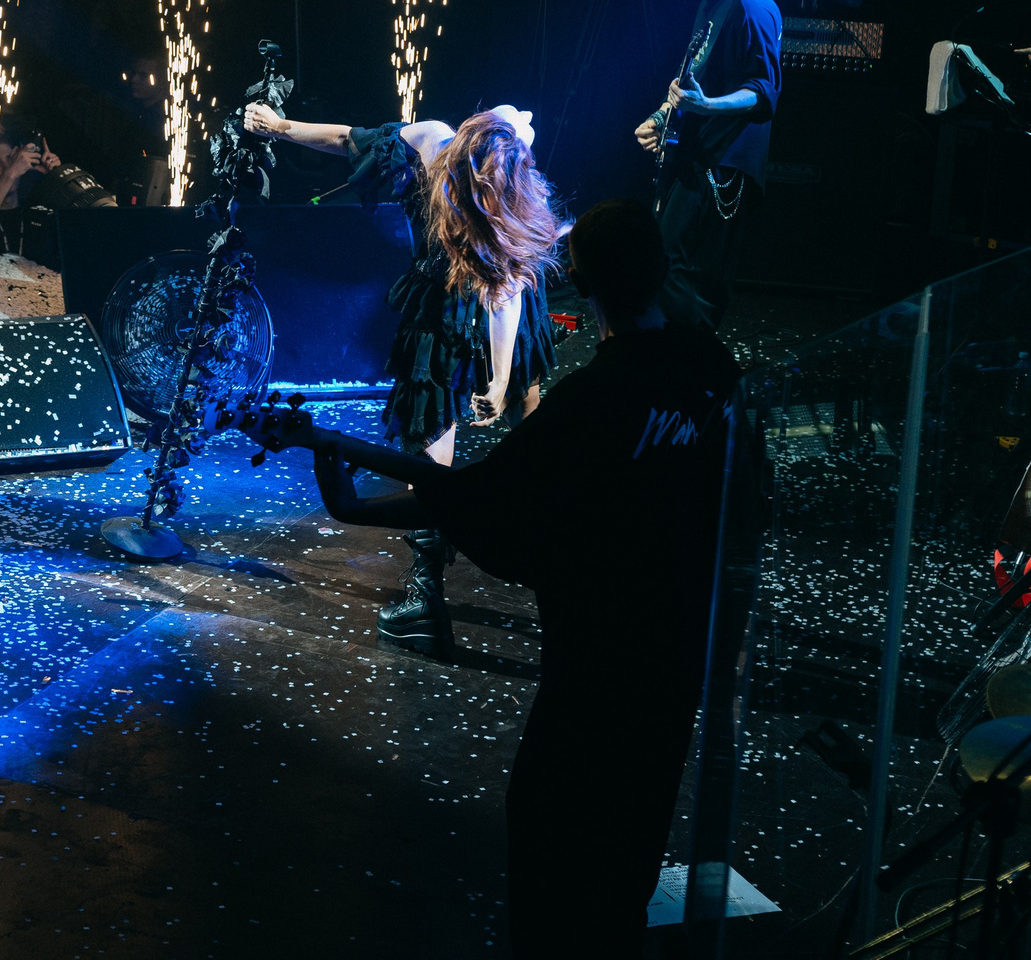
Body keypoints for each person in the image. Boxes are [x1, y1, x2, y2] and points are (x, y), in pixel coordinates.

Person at [249, 199, 738, 959]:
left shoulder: (592, 402)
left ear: (577, 281)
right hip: (680, 658)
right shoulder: (711, 370)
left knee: (550, 842)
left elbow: (480, 497)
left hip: (595, 666)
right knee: (633, 840)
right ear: (661, 268)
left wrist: (335, 460)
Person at [244, 104, 558, 655]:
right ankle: (434, 593)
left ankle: (464, 586)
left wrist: (501, 374)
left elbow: (506, 292)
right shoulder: (459, 151)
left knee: (504, 436)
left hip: (464, 310)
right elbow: (346, 135)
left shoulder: (468, 157)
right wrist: (282, 127)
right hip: (445, 311)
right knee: (442, 442)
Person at [634, 0, 782, 330]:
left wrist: (707, 107)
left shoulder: (752, 6)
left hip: (725, 166)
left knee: (695, 277)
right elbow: (693, 71)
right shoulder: (712, 1)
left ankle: (695, 370)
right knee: (667, 263)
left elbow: (763, 92)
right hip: (698, 157)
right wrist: (663, 117)